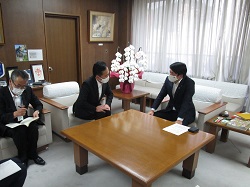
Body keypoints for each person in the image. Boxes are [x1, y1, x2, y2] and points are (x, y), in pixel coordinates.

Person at [0, 70, 45, 166]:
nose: (21, 89)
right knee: (19, 131)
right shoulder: (1, 93)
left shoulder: (27, 90)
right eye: (18, 86)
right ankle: (23, 158)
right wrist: (14, 114)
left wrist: (37, 111)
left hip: (23, 120)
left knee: (33, 127)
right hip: (7, 123)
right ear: (10, 82)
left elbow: (38, 104)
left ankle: (33, 154)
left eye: (23, 86)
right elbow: (1, 117)